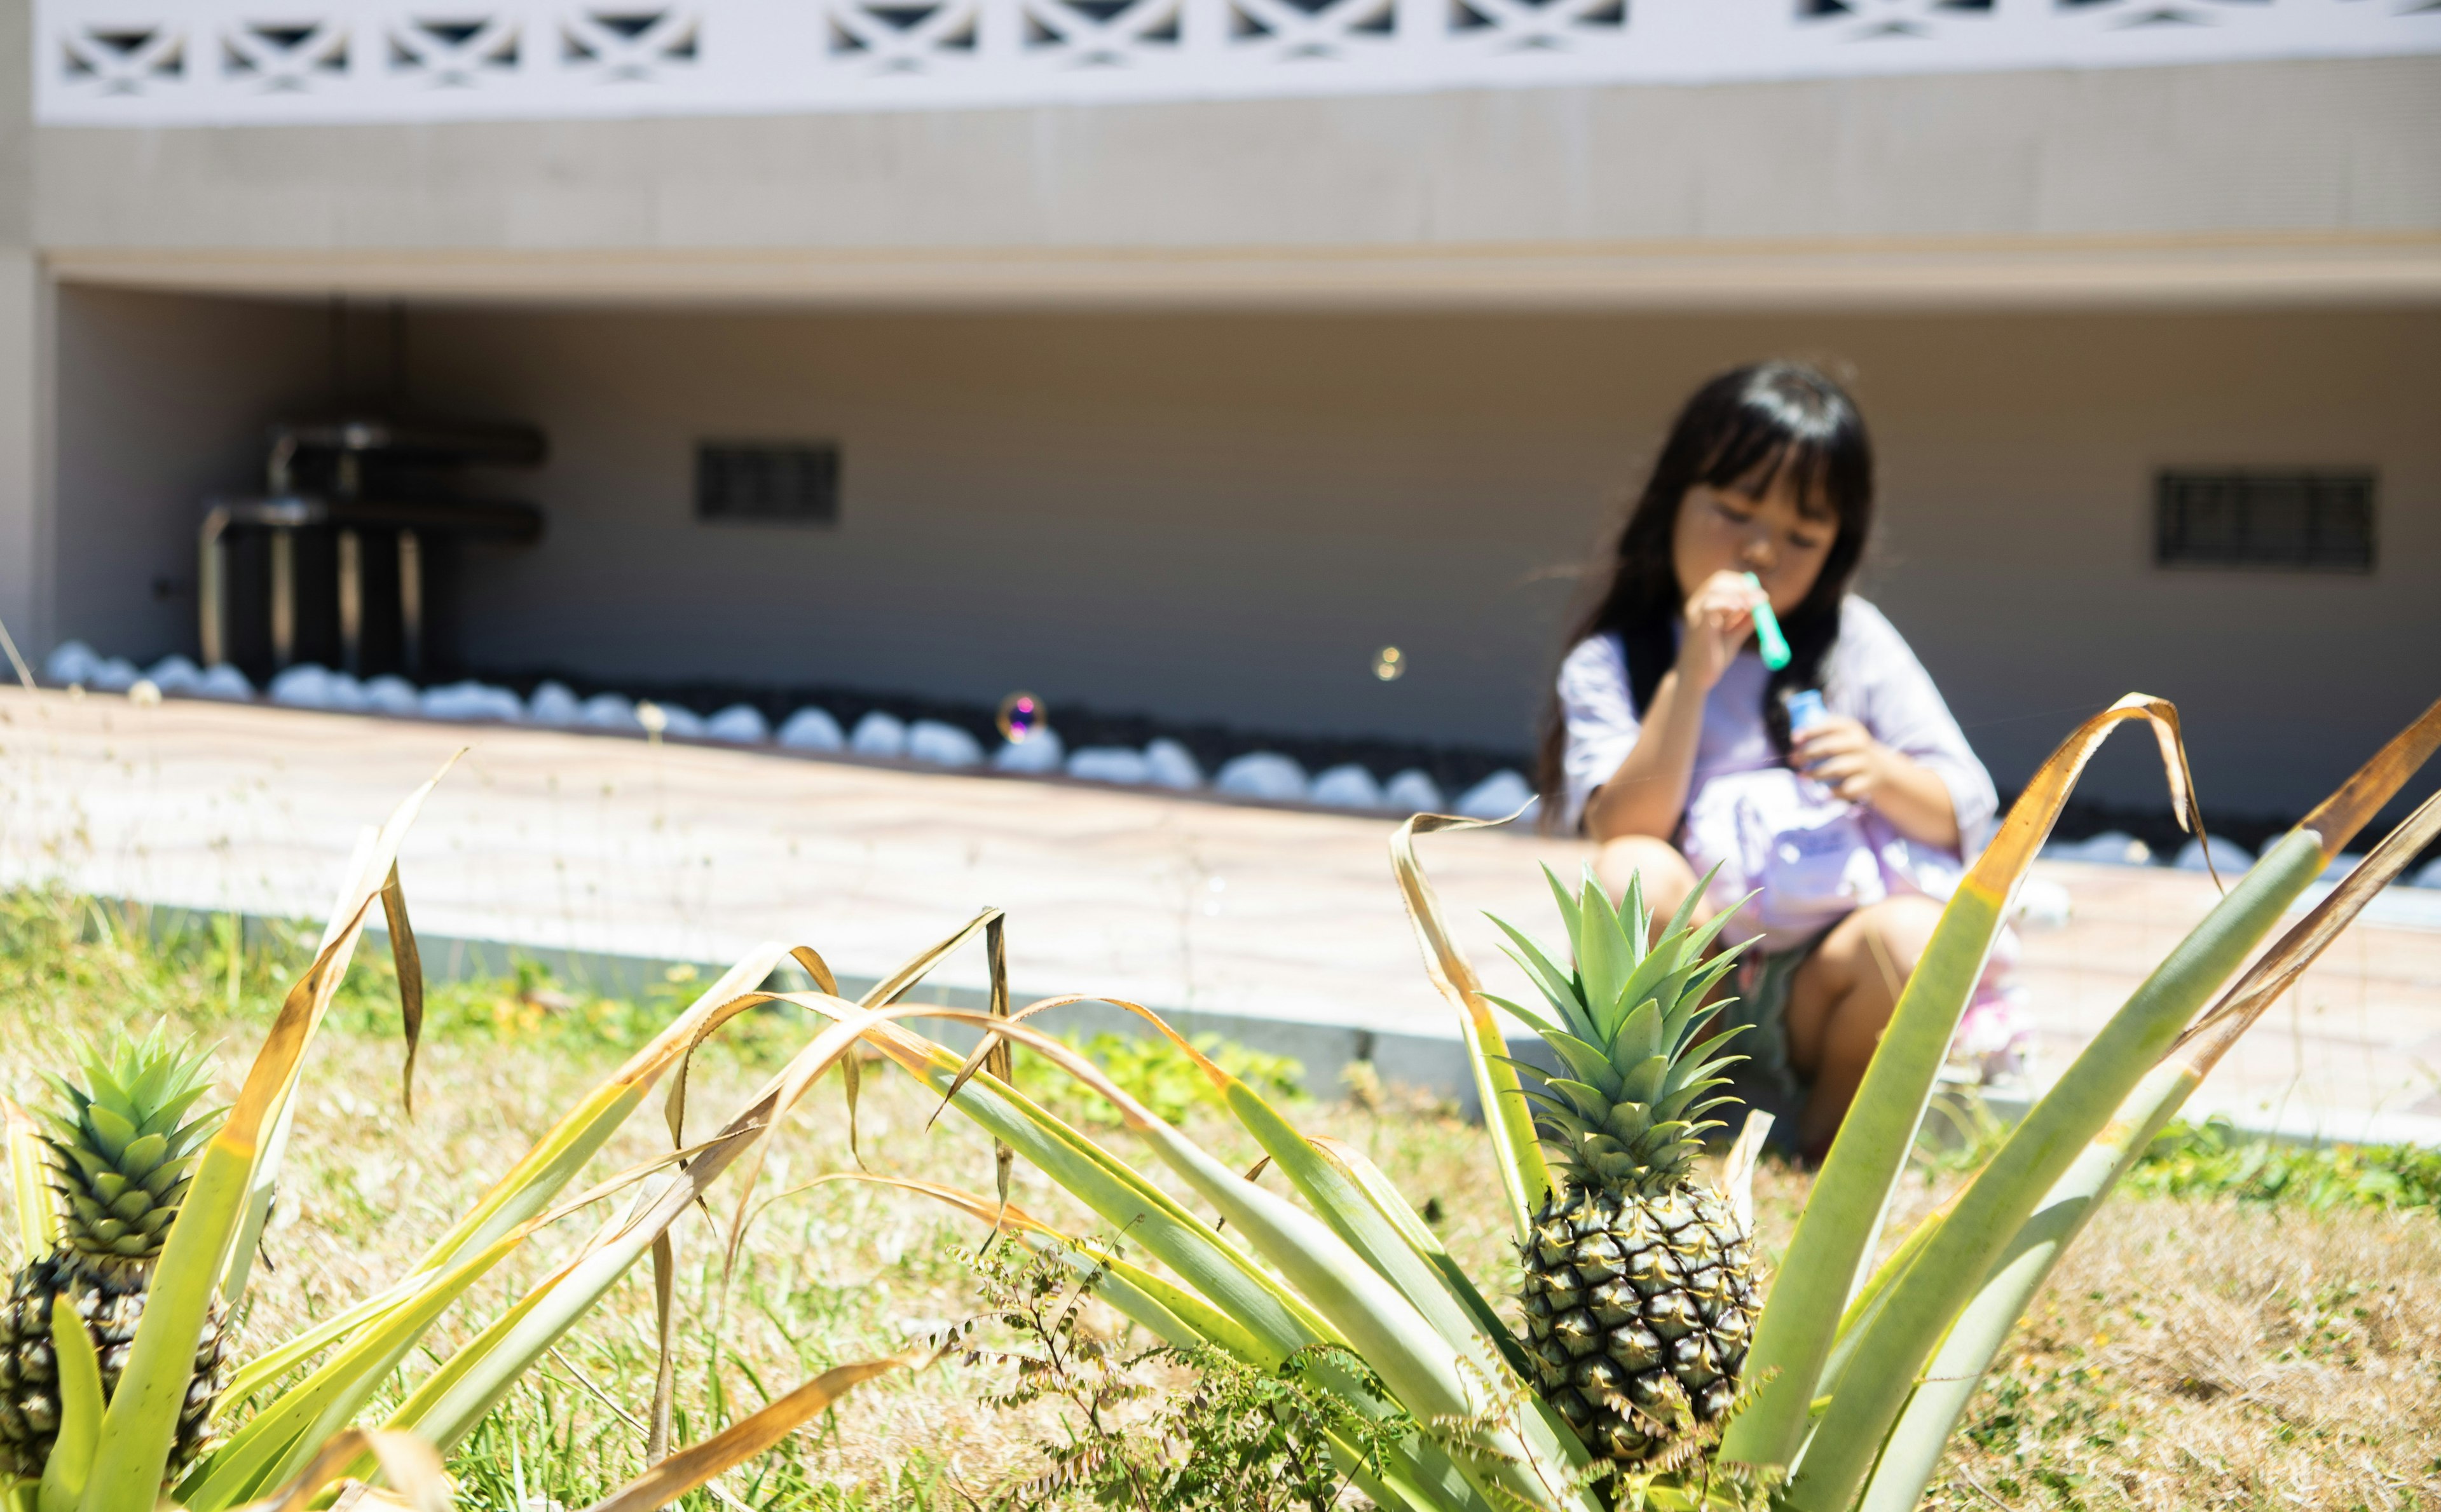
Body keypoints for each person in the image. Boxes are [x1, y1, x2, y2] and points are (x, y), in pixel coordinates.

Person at [1535, 360, 2012, 1158]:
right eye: (1734, 510)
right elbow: (1622, 823)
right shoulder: (1616, 660)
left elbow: (1966, 805)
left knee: (1911, 937)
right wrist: (1691, 676)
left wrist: (1879, 770)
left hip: (1824, 986)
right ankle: (1668, 1139)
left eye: (1803, 535)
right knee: (1631, 874)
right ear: (1672, 500)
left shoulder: (1853, 643)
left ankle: (1827, 1150)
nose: (1761, 549)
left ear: (1839, 547)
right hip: (1697, 985)